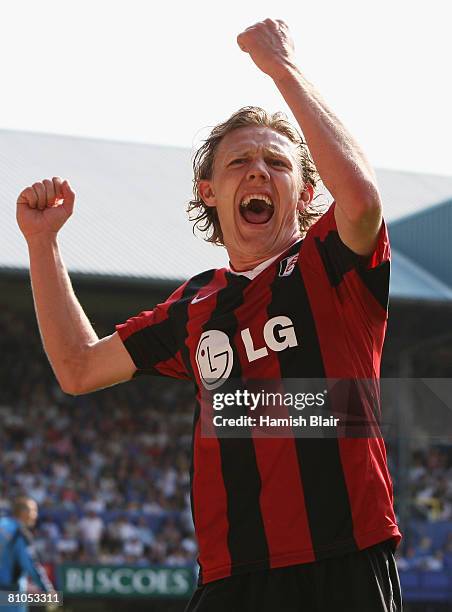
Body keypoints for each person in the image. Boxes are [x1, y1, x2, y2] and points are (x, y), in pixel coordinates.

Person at [16, 18, 402, 612]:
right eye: (239, 162)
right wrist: (43, 245)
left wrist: (283, 70)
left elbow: (363, 201)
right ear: (208, 191)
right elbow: (77, 368)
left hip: (344, 563)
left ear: (304, 195)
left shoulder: (335, 265)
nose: (257, 171)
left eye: (277, 163)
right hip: (230, 579)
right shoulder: (192, 307)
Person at [0, 497, 55, 612]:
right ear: (24, 512)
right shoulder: (20, 533)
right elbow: (32, 566)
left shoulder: (2, 524)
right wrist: (48, 591)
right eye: (33, 510)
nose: (36, 515)